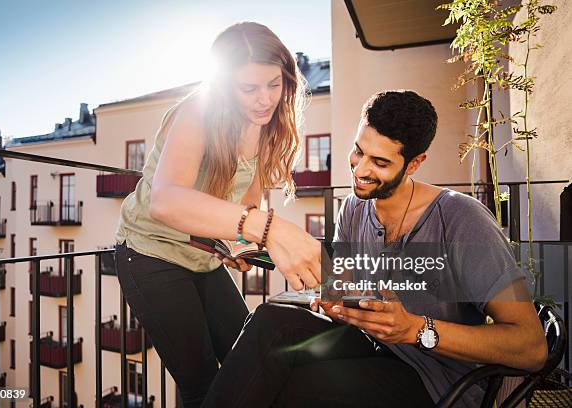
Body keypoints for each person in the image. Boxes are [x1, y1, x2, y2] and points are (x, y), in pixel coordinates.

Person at [201, 90, 547, 407]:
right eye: (358, 151)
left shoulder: (462, 220)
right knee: (272, 320)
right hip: (373, 346)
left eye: (380, 163)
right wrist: (333, 297)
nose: (361, 170)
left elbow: (531, 347)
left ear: (414, 163)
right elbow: (342, 286)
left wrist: (415, 328)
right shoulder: (355, 207)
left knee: (295, 385)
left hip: (435, 380)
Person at [114, 22, 321, 408]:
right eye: (249, 88)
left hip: (204, 258)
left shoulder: (268, 125)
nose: (264, 99)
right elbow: (166, 202)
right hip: (150, 252)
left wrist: (241, 246)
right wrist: (268, 229)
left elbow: (247, 208)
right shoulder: (198, 110)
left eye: (273, 84)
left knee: (250, 360)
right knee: (202, 384)